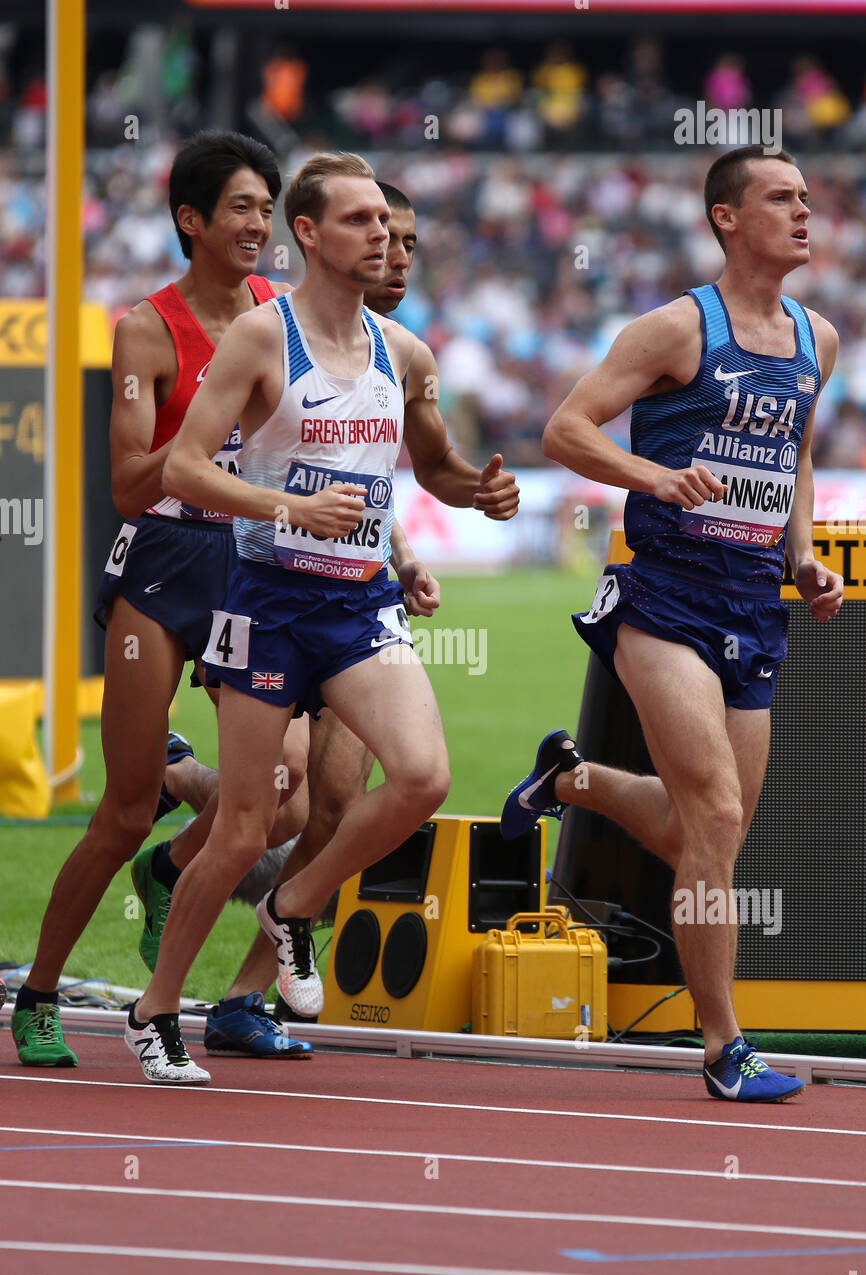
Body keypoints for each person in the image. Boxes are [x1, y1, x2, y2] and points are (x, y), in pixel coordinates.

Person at [125, 152, 518, 1083]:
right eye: (361, 221)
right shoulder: (264, 338)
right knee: (244, 822)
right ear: (307, 234)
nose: (382, 236)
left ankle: (292, 906)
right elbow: (180, 470)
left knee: (421, 777)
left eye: (386, 222)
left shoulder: (404, 352)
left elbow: (437, 470)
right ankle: (155, 1011)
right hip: (265, 599)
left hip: (356, 605)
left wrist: (482, 492)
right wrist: (282, 508)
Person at [501, 146, 843, 1103]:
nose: (804, 213)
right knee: (718, 815)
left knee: (711, 837)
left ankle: (573, 778)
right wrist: (655, 476)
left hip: (753, 605)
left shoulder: (818, 335)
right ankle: (724, 1045)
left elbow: (797, 458)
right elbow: (566, 428)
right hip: (666, 598)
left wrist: (801, 553)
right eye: (781, 199)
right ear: (727, 218)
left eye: (808, 199)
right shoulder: (675, 329)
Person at [10, 131, 300, 1069]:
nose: (260, 224)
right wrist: (209, 462)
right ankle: (40, 993)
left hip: (254, 567)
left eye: (268, 207)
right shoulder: (146, 328)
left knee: (285, 789)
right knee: (124, 811)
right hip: (166, 568)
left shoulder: (277, 313)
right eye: (244, 208)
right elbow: (131, 486)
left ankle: (174, 870)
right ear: (193, 221)